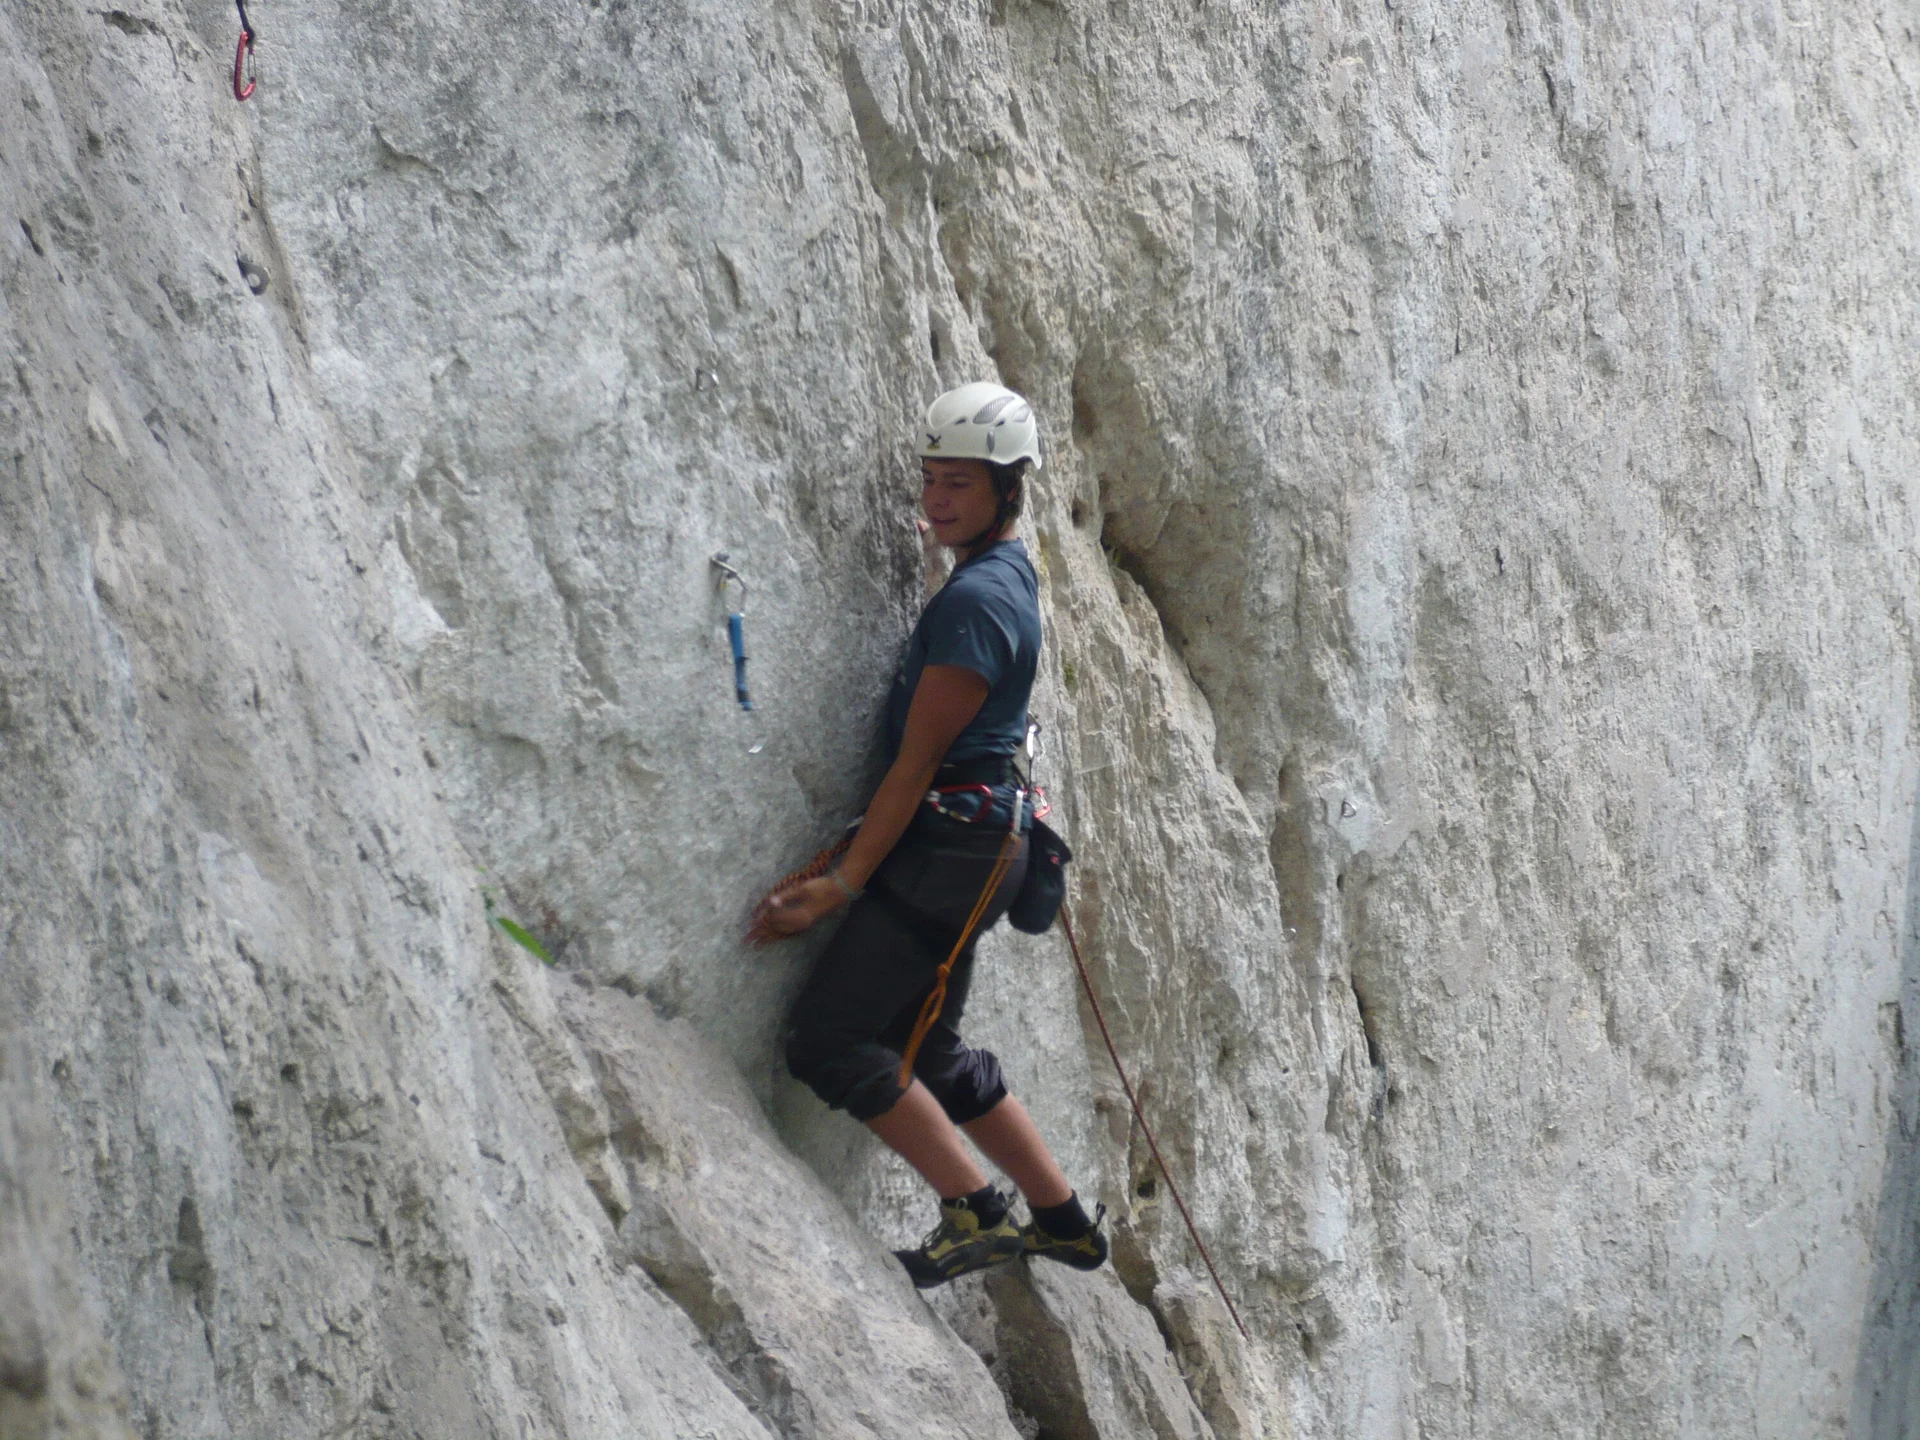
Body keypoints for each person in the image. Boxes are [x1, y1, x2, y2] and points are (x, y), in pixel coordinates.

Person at [752, 382, 1108, 1289]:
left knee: (831, 1042)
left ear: (1007, 491)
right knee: (928, 1045)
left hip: (953, 847)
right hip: (980, 841)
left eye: (960, 484)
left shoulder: (976, 606)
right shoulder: (1001, 577)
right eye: (931, 482)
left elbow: (916, 764)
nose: (938, 501)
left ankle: (974, 1212)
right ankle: (1063, 1222)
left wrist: (841, 883)